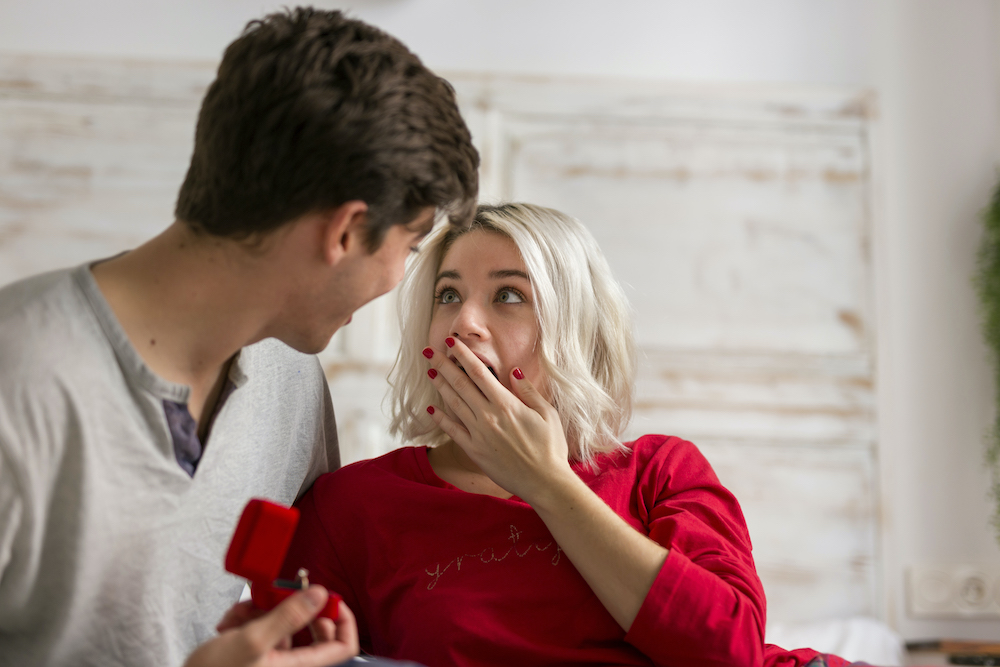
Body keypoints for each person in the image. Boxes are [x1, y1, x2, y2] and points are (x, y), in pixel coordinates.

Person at [0, 7, 478, 667]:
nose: (402, 278)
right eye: (411, 244)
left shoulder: (290, 380)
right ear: (344, 232)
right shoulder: (16, 376)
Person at [281, 203, 862, 667]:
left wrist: (548, 484)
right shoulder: (349, 508)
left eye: (509, 295)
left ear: (575, 328)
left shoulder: (661, 471)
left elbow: (730, 653)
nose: (464, 323)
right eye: (448, 294)